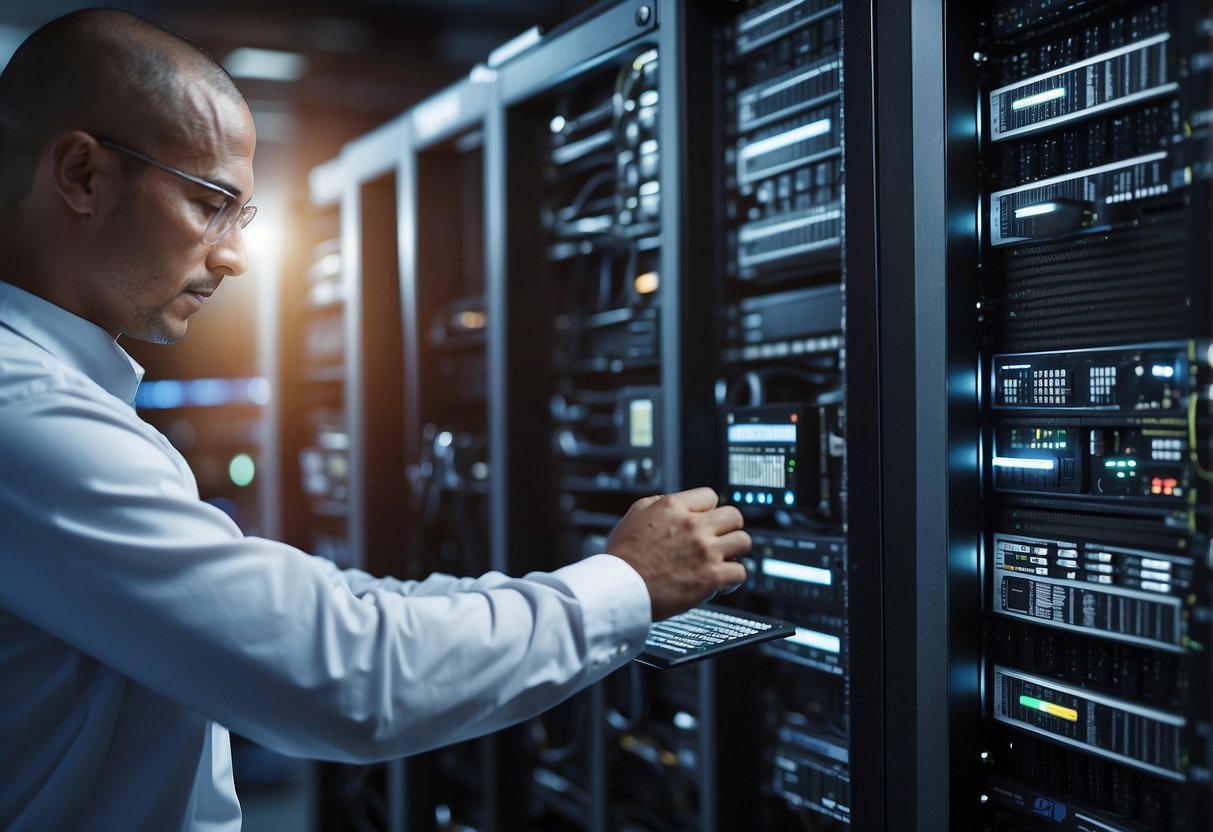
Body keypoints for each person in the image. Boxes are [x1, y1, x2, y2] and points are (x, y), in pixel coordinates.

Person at [0, 8, 751, 831]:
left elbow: (328, 615)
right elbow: (342, 673)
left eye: (241, 218)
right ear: (82, 174)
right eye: (210, 203)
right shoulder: (27, 414)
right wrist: (626, 583)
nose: (234, 255)